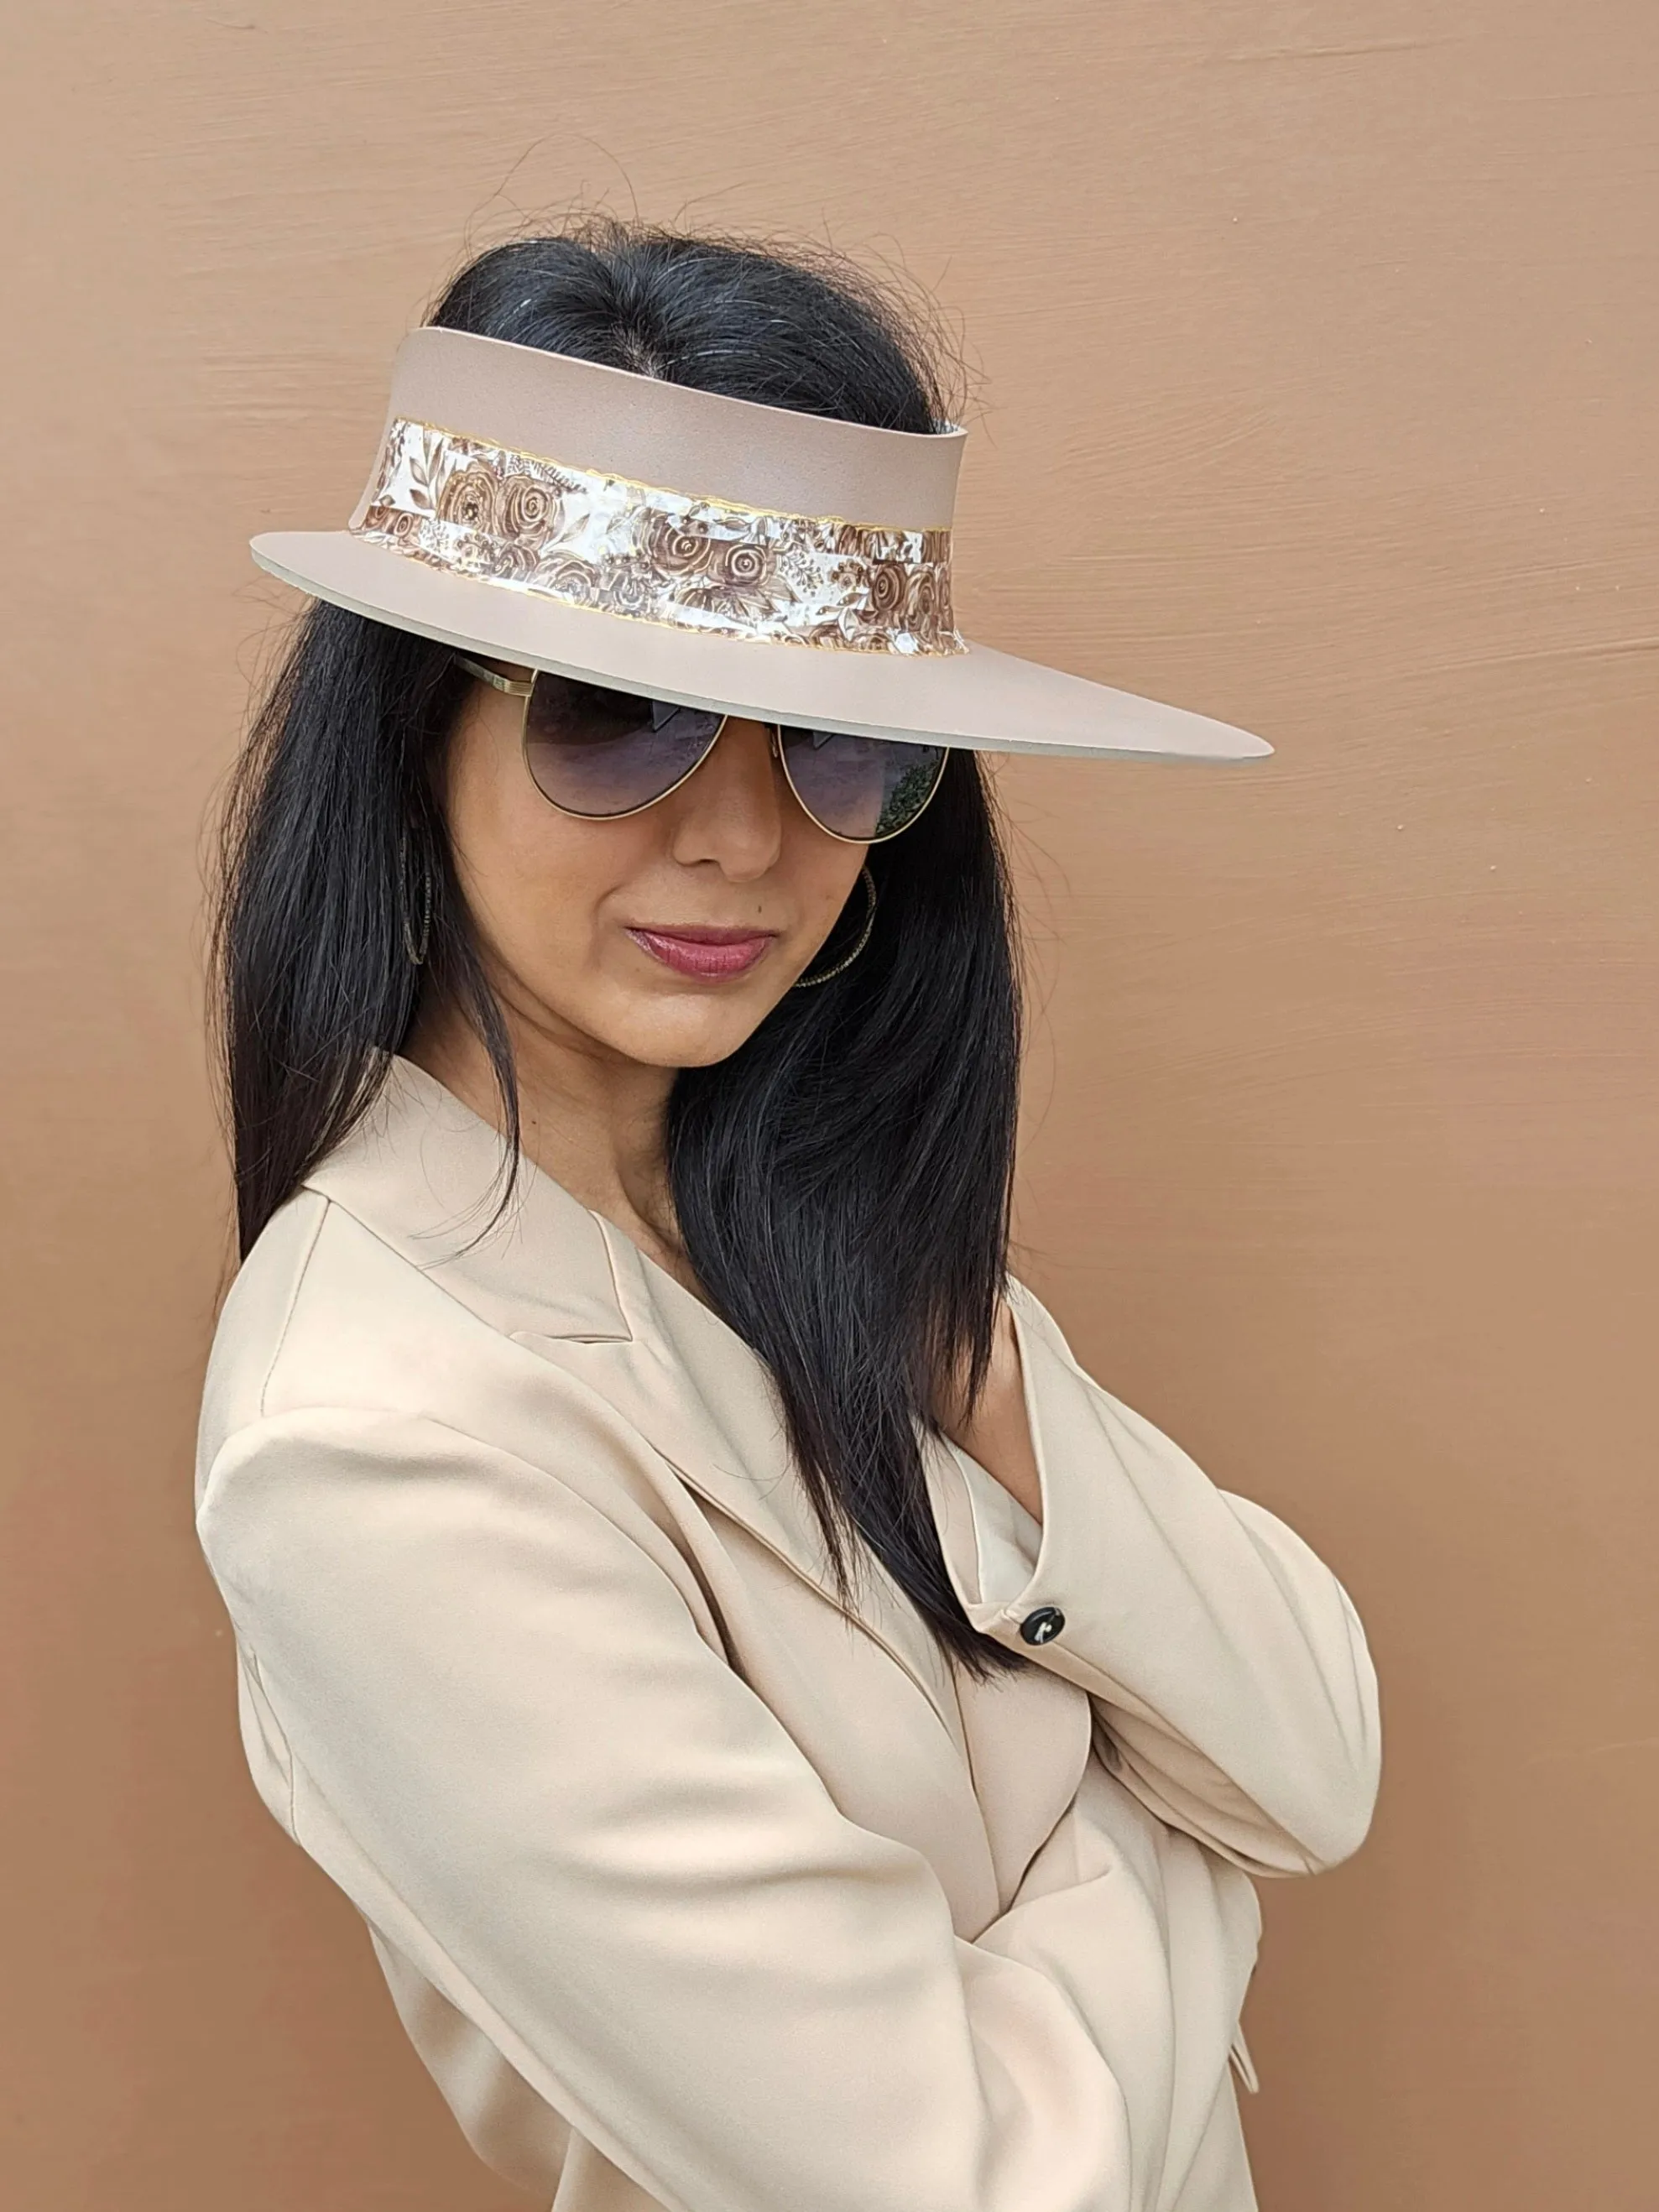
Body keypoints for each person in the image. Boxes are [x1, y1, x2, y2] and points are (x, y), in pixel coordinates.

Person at [197, 219, 1380, 2212]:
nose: (744, 833)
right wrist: (1167, 1845)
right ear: (418, 728)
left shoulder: (830, 1235)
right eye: (614, 714)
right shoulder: (373, 1435)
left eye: (838, 740)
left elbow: (1316, 1761)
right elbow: (971, 2179)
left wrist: (974, 1360)